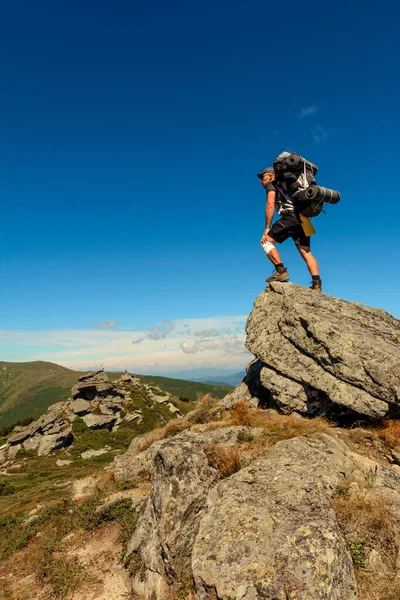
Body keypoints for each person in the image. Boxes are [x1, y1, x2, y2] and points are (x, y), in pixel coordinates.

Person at [257, 166, 323, 291]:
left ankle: (280, 271)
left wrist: (267, 228)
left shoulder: (272, 185)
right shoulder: (288, 185)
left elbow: (270, 205)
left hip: (290, 217)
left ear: (271, 176)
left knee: (266, 242)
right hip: (303, 218)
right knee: (305, 251)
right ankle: (317, 283)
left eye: (263, 176)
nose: (261, 180)